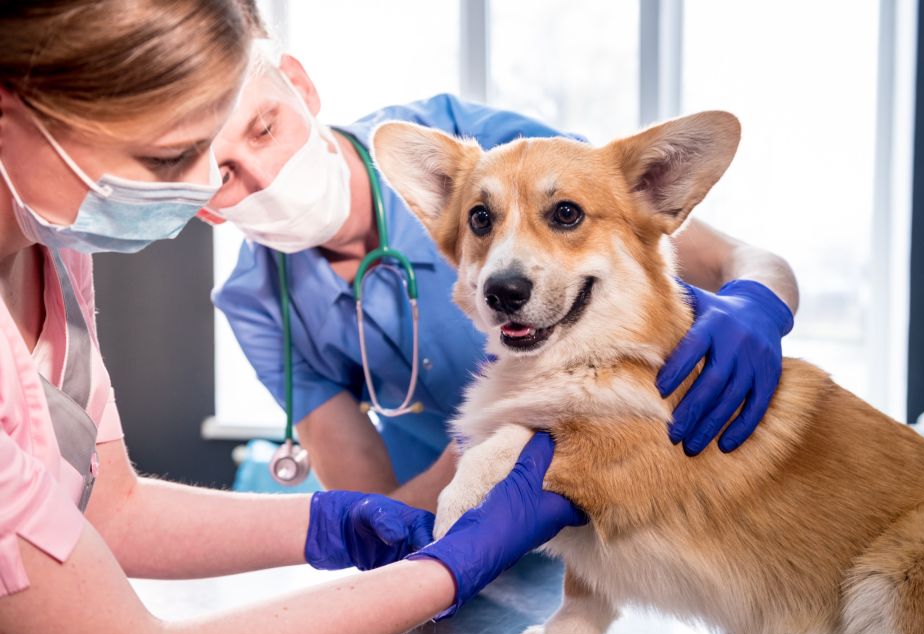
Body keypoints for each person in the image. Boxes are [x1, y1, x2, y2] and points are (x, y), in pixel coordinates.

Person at [0, 2, 585, 634]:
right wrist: (446, 567)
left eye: (251, 132)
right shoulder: (256, 293)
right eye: (169, 157)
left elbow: (109, 505)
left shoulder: (55, 245)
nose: (204, 198)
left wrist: (326, 524)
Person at [209, 35, 800, 508]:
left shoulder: (501, 158)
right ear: (200, 201)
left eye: (265, 128)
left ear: (302, 86)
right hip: (441, 503)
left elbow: (737, 260)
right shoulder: (256, 300)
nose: (266, 174)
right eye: (223, 169)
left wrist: (759, 305)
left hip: (611, 481)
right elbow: (369, 505)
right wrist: (458, 482)